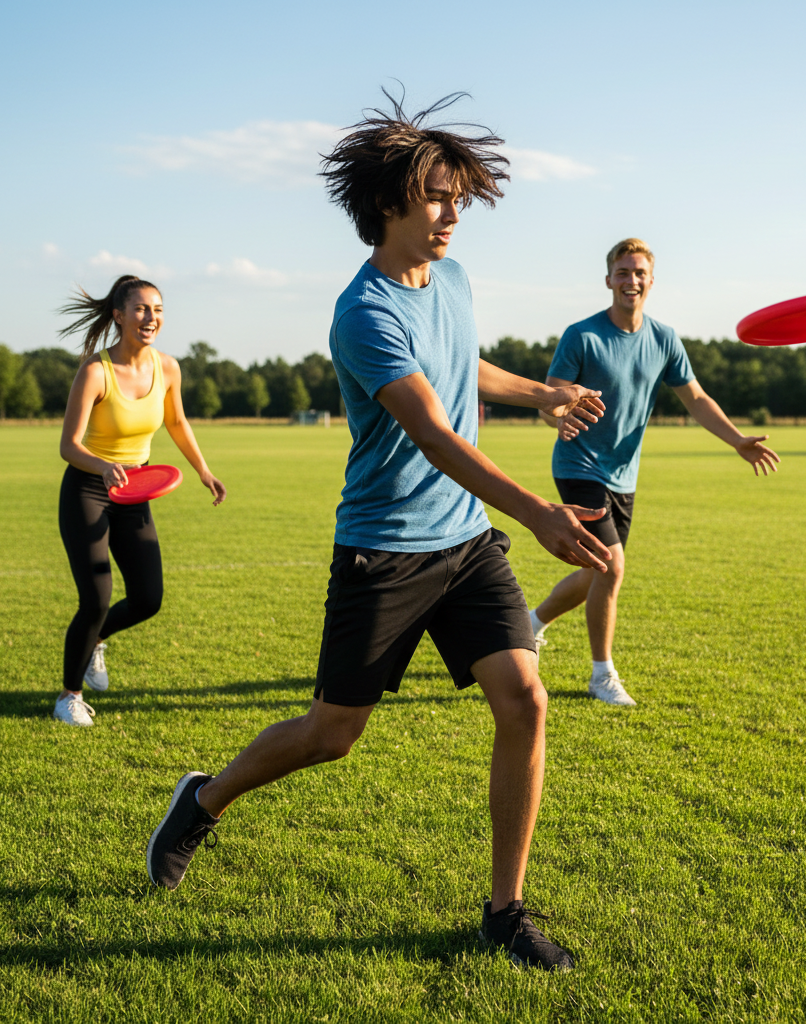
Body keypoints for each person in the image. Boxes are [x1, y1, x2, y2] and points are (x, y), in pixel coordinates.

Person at [145, 93, 612, 971]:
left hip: (466, 543)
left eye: (459, 199)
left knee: (526, 699)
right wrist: (540, 514)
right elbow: (433, 431)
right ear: (390, 200)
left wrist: (539, 393)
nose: (451, 213)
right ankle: (204, 801)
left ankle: (504, 912)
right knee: (332, 735)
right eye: (437, 196)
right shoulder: (362, 313)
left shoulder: (454, 281)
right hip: (384, 550)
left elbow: (461, 362)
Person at [527, 238, 780, 706]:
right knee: (614, 564)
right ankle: (602, 675)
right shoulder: (581, 336)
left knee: (599, 569)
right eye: (623, 272)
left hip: (625, 474)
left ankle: (531, 624)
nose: (631, 280)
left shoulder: (664, 339)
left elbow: (697, 399)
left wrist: (737, 440)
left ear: (651, 281)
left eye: (639, 272)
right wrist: (558, 415)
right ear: (609, 280)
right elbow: (551, 397)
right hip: (578, 464)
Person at [55, 275, 226, 726]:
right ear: (118, 315)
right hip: (89, 488)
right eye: (141, 309)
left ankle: (96, 640)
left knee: (149, 599)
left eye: (158, 309)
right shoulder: (96, 371)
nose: (152, 318)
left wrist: (204, 471)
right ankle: (69, 696)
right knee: (96, 597)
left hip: (135, 492)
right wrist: (102, 465)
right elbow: (69, 445)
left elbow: (177, 422)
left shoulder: (167, 368)